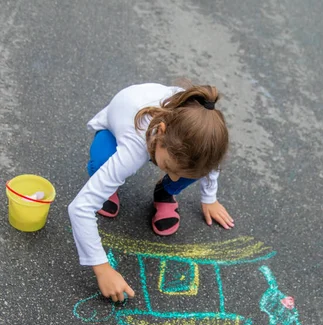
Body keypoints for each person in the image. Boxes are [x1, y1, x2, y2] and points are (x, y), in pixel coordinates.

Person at [68, 82, 234, 303]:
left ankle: (164, 193)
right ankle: (107, 185)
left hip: (162, 138)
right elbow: (80, 208)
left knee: (191, 167)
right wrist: (102, 269)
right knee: (103, 160)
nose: (175, 177)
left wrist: (209, 198)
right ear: (162, 134)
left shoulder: (199, 133)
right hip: (115, 132)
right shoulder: (134, 147)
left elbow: (209, 164)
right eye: (170, 170)